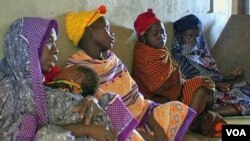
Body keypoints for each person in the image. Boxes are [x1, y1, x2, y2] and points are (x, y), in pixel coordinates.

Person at [65, 5, 197, 141]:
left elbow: (138, 100)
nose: (112, 34)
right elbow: (99, 113)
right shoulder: (76, 68)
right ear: (89, 33)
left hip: (141, 115)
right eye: (106, 28)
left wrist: (158, 130)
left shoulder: (112, 59)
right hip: (115, 127)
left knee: (176, 109)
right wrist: (147, 137)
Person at [0, 17, 116, 141]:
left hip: (91, 126)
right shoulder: (6, 86)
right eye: (49, 41)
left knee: (111, 102)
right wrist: (87, 129)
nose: (56, 50)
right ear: (29, 44)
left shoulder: (47, 76)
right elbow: (19, 135)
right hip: (62, 134)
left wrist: (91, 99)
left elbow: (84, 87)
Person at [131, 9, 227, 137]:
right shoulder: (143, 54)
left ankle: (188, 120)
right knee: (208, 116)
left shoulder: (162, 51)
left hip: (176, 93)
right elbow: (158, 87)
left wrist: (185, 85)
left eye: (163, 32)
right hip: (157, 101)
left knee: (204, 84)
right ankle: (187, 124)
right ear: (143, 37)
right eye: (155, 33)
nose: (161, 36)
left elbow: (176, 78)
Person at [171, 14, 250, 116]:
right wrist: (216, 85)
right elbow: (188, 85)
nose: (194, 40)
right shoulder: (179, 60)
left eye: (197, 37)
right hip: (203, 96)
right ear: (179, 36)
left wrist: (229, 75)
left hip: (217, 88)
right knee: (246, 104)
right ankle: (206, 115)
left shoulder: (200, 53)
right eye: (189, 36)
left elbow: (212, 76)